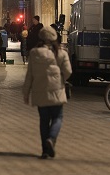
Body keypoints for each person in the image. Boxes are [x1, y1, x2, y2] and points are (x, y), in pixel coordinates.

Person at [22, 25, 72, 159]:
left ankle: (45, 150)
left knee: (44, 121)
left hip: (40, 91)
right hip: (56, 90)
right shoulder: (61, 53)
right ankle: (51, 138)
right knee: (58, 117)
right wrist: (61, 79)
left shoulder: (34, 53)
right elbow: (68, 72)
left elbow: (29, 75)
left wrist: (26, 93)